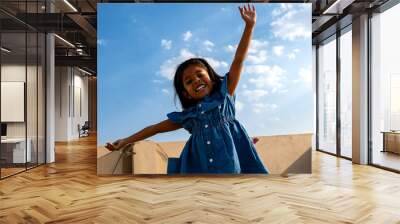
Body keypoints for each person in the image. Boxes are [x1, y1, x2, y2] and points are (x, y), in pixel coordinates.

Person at [106, 4, 268, 174]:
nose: (196, 80)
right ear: (186, 93)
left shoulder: (225, 94)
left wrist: (249, 27)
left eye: (199, 74)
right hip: (199, 167)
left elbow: (238, 60)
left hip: (229, 165)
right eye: (189, 81)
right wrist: (124, 141)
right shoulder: (188, 117)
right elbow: (153, 129)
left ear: (212, 78)